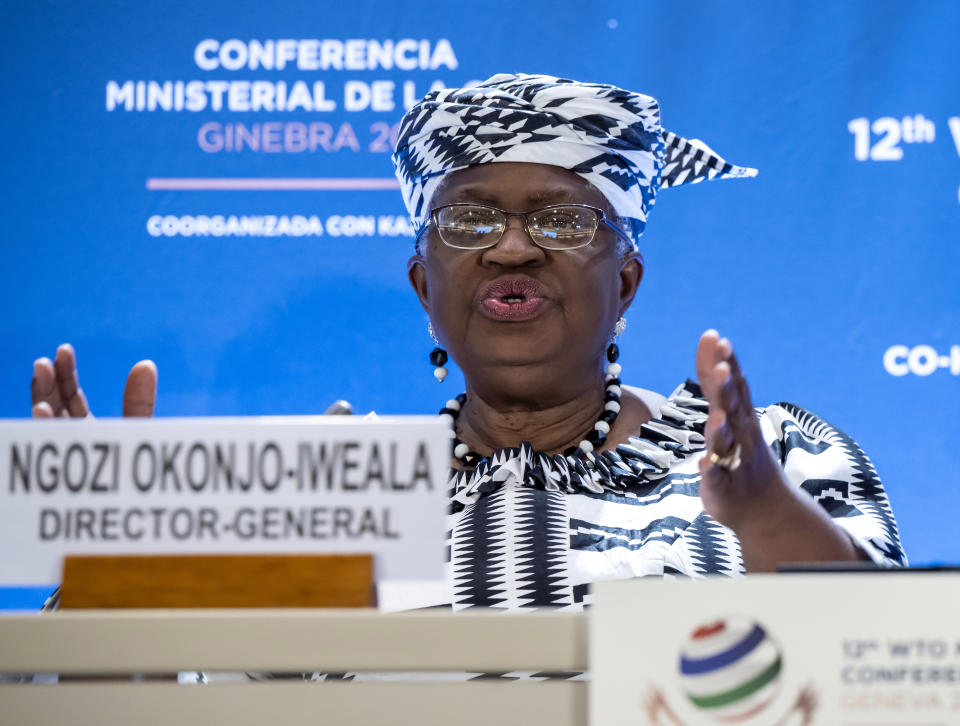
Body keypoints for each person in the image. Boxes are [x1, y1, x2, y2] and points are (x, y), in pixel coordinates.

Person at [31, 74, 905, 613]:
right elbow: (160, 694)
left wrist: (759, 512)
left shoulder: (770, 451)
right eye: (471, 219)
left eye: (562, 219)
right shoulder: (337, 478)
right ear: (423, 288)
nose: (513, 246)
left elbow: (889, 678)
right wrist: (106, 563)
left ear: (627, 283)